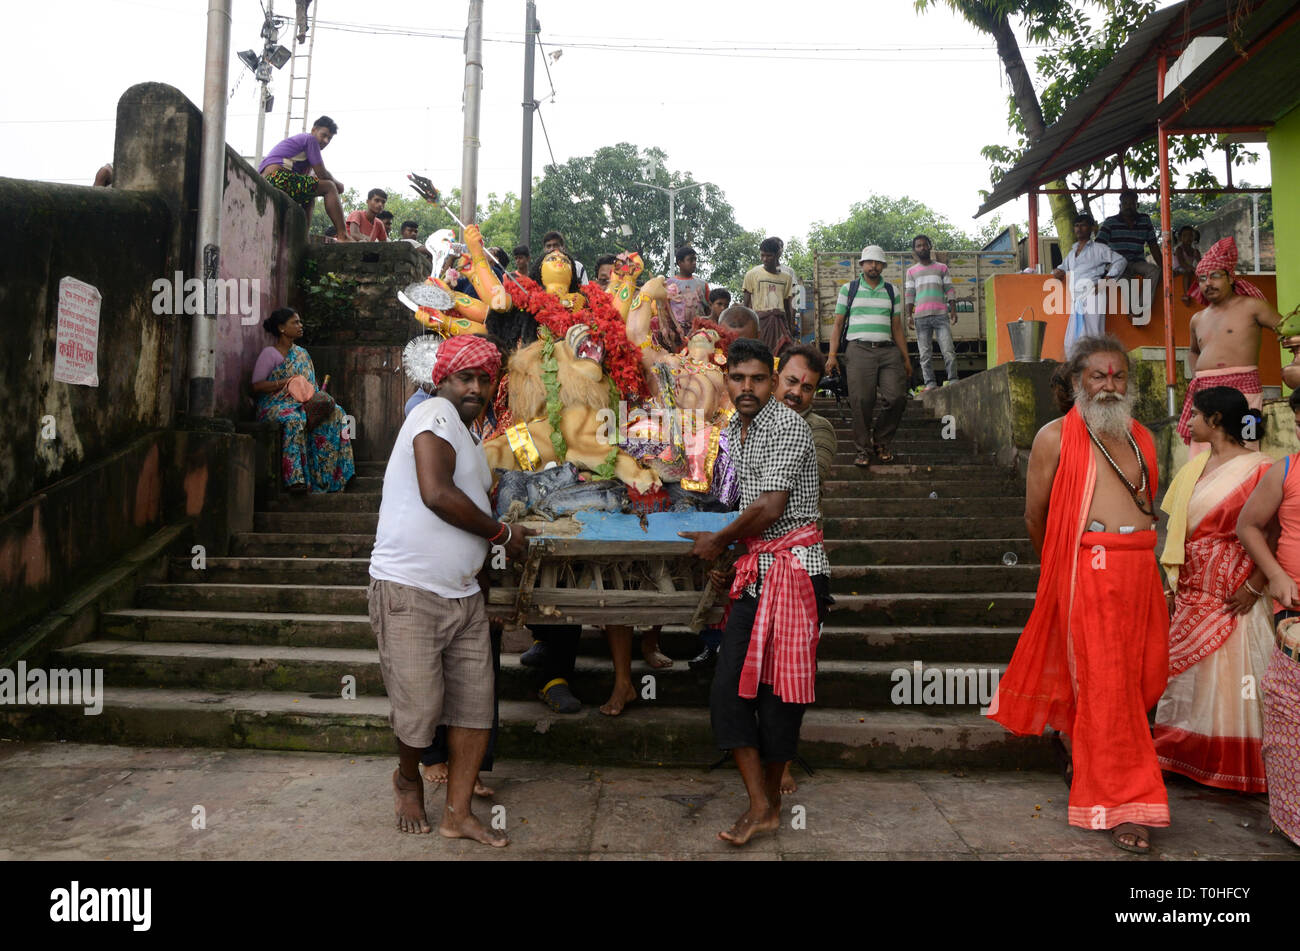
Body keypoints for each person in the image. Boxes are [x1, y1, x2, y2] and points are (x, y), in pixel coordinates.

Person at [989, 335, 1169, 854]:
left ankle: (1078, 743)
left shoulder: (1141, 437)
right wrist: (1062, 572)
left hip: (1140, 575)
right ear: (1074, 383)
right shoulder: (1054, 438)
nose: (1110, 385)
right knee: (1111, 690)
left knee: (1143, 683)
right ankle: (1125, 805)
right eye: (1098, 376)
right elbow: (1035, 516)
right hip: (1087, 574)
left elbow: (1146, 506)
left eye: (1118, 377)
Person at [367, 334, 533, 845]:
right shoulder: (432, 414)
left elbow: (471, 524)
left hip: (464, 598)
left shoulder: (473, 443)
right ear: (442, 379)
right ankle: (407, 778)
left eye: (485, 379)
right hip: (411, 589)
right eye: (466, 376)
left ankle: (457, 813)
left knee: (474, 711)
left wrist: (484, 596)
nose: (476, 387)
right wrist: (503, 533)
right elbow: (437, 495)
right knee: (420, 711)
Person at [680, 337, 831, 846]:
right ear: (727, 382)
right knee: (728, 689)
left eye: (758, 379)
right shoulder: (739, 431)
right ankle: (763, 804)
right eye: (738, 378)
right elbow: (750, 512)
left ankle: (763, 803)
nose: (747, 388)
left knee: (780, 694)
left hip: (799, 571)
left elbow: (768, 508)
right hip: (758, 569)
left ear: (771, 381)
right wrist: (729, 552)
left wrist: (718, 542)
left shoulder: (787, 425)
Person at [1155, 386, 1272, 794]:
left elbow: (1272, 532)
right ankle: (1181, 756)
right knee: (1188, 679)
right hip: (1192, 588)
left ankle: (1234, 764)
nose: (1188, 424)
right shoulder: (1193, 469)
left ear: (1216, 421)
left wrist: (1255, 587)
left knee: (1232, 678)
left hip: (1235, 593)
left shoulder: (1260, 468)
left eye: (1195, 417)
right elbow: (1176, 531)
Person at [1236, 387, 1300, 848]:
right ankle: (1292, 815)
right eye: (1299, 424)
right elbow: (1247, 524)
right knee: (1290, 714)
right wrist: (1275, 575)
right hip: (1293, 611)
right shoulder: (1286, 470)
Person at [1179, 237, 1284, 457]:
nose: (1208, 283)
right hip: (1206, 392)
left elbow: (1287, 330)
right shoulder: (1197, 318)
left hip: (1245, 390)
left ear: (1230, 277)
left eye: (1215, 275)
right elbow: (1193, 351)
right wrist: (1197, 376)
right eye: (1202, 278)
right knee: (1203, 452)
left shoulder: (1252, 307)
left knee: (1246, 443)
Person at [251, 308, 356, 494]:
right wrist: (286, 382)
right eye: (295, 322)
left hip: (301, 403)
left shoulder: (302, 354)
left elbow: (311, 387)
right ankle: (295, 480)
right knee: (294, 419)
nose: (300, 326)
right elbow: (256, 386)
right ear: (282, 328)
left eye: (300, 322)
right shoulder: (270, 354)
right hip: (274, 405)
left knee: (338, 413)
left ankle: (339, 474)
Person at [824, 245, 911, 468]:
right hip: (858, 349)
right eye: (869, 262)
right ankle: (863, 450)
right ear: (862, 265)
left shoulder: (893, 291)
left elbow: (897, 327)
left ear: (883, 266)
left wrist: (906, 358)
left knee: (896, 397)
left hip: (888, 350)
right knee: (862, 400)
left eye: (878, 262)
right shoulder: (849, 289)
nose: (873, 266)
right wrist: (832, 355)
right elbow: (838, 324)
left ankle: (881, 441)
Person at [259, 116, 350, 240]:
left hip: (276, 180)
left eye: (329, 138)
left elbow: (313, 178)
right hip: (277, 178)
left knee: (309, 196)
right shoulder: (310, 139)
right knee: (329, 187)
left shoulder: (305, 158)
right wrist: (338, 185)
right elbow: (322, 174)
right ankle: (343, 235)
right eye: (323, 135)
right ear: (313, 130)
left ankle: (303, 238)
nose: (326, 140)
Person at [1051, 212, 1126, 358]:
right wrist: (1057, 272)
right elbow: (1062, 268)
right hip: (1077, 298)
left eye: (1083, 225)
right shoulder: (1072, 252)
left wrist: (1107, 281)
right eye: (1076, 226)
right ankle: (1077, 369)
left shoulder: (1099, 248)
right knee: (1073, 338)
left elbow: (1121, 261)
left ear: (1091, 228)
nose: (1079, 229)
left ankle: (1095, 365)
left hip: (1094, 294)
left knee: (1093, 334)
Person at [905, 235, 958, 391]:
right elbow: (909, 293)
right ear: (915, 250)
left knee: (948, 350)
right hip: (921, 318)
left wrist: (953, 310)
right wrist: (909, 316)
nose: (922, 248)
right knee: (925, 354)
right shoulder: (911, 271)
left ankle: (953, 379)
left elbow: (949, 289)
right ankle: (930, 383)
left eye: (924, 245)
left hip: (941, 315)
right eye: (918, 246)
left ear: (930, 246)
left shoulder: (942, 268)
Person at [1097, 188, 1162, 313]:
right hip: (1118, 264)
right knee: (1126, 282)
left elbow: (1153, 245)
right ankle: (1134, 313)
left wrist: (1165, 269)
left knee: (1155, 271)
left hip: (1137, 262)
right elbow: (1099, 246)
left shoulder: (1145, 220)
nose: (1128, 206)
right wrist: (1101, 269)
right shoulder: (1110, 222)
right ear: (1120, 205)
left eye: (1132, 203)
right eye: (1125, 204)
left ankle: (1141, 308)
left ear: (1137, 205)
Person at [742, 237, 796, 356]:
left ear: (777, 255)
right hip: (760, 323)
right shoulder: (752, 275)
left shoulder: (787, 278)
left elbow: (787, 305)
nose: (765, 259)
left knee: (783, 354)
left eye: (769, 256)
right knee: (760, 354)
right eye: (762, 255)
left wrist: (790, 326)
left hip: (780, 324)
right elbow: (745, 305)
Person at [667, 246, 711, 339]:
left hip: (699, 334)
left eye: (695, 260)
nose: (694, 263)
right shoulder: (668, 284)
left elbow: (709, 309)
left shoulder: (703, 284)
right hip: (677, 334)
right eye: (690, 260)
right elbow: (664, 309)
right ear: (680, 263)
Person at [1173, 225, 1202, 306]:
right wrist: (1193, 269)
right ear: (1180, 238)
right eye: (1185, 235)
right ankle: (1186, 295)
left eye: (1191, 235)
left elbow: (1201, 263)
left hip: (1188, 269)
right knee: (1187, 272)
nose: (1188, 238)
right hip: (1177, 270)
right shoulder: (1179, 249)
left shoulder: (1195, 251)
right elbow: (1182, 263)